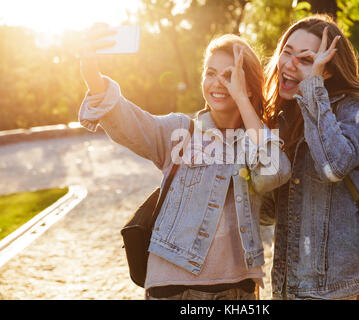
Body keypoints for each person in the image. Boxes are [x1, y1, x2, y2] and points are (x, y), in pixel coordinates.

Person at [79, 23, 291, 300]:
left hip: (237, 290)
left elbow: (275, 171)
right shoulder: (179, 131)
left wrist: (241, 99)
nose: (217, 82)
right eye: (211, 73)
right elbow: (126, 120)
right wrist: (90, 73)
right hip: (172, 286)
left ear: (249, 88)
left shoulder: (257, 141)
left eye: (230, 76)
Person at [262, 14, 359, 300]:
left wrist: (312, 88)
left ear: (327, 71)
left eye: (306, 60)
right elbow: (267, 213)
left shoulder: (352, 109)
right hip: (290, 287)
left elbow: (333, 166)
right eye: (287, 52)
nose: (289, 65)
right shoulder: (281, 119)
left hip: (345, 287)